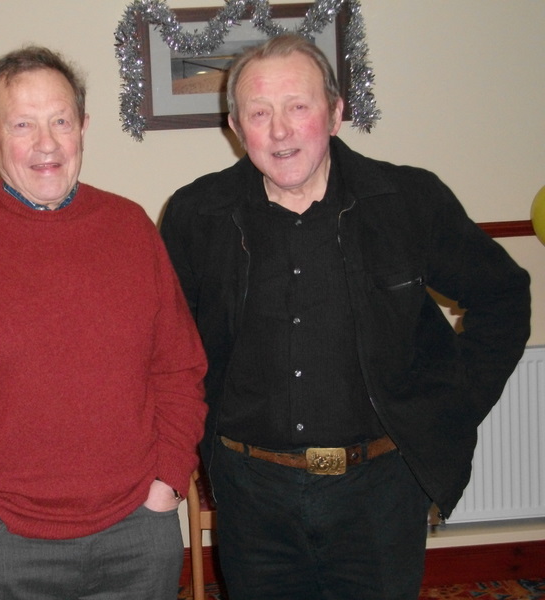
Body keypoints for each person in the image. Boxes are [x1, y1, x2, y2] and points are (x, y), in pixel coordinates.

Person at [161, 34, 531, 600]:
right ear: (235, 126)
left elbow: (503, 296)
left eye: (298, 106)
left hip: (381, 493)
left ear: (335, 113)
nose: (279, 130)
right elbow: (168, 350)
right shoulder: (196, 215)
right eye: (259, 113)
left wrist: (449, 408)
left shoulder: (408, 201)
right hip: (252, 497)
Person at [0, 46, 208, 600]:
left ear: (83, 127)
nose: (47, 144)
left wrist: (167, 485)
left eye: (61, 121)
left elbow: (178, 371)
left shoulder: (130, 229)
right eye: (22, 125)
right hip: (1, 548)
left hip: (137, 536)